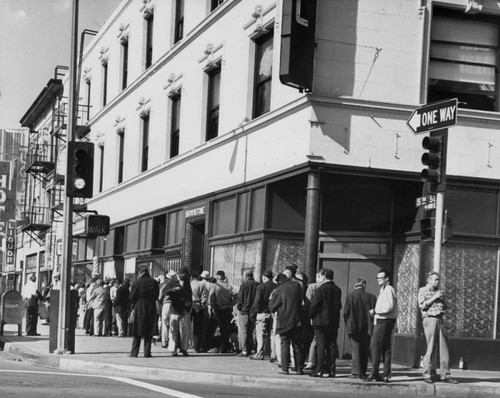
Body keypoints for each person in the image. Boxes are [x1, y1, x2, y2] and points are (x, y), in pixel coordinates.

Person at [418, 272, 457, 384]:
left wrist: (443, 299)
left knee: (443, 348)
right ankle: (427, 373)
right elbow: (422, 305)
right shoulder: (423, 290)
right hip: (430, 319)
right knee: (430, 347)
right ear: (429, 280)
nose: (437, 282)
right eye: (435, 280)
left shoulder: (438, 291)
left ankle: (445, 375)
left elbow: (445, 306)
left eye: (438, 280)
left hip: (440, 318)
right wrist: (435, 297)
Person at [269, 270, 304, 375]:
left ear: (279, 281)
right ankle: (299, 369)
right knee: (297, 345)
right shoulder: (297, 285)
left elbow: (272, 307)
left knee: (285, 344)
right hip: (297, 321)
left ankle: (285, 369)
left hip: (284, 321)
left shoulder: (278, 290)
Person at [309, 269, 342, 378]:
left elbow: (314, 305)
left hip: (320, 321)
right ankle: (331, 370)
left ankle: (319, 370)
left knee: (321, 346)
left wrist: (311, 316)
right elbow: (339, 306)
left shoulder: (321, 289)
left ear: (324, 277)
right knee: (332, 345)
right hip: (333, 322)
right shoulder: (337, 289)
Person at [366, 269, 398, 383]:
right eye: (378, 278)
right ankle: (385, 374)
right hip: (385, 321)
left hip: (383, 322)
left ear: (387, 278)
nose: (379, 280)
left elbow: (389, 306)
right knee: (385, 348)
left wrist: (375, 310)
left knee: (374, 346)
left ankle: (374, 373)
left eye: (381, 278)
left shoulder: (388, 289)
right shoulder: (384, 289)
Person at [344, 278, 377, 379]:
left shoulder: (350, 296)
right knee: (364, 349)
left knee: (356, 349)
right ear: (364, 285)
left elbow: (346, 312)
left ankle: (356, 372)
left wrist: (347, 324)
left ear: (355, 286)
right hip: (367, 327)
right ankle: (363, 371)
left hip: (353, 326)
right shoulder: (372, 297)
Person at [129, 266, 160, 358]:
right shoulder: (154, 282)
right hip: (151, 306)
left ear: (140, 273)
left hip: (140, 306)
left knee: (138, 329)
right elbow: (156, 296)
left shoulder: (137, 283)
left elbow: (131, 297)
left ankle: (134, 352)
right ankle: (147, 352)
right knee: (149, 329)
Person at [164, 267, 192, 356]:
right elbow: (165, 291)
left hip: (185, 308)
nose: (185, 276)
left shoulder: (187, 281)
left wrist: (189, 302)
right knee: (174, 329)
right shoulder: (172, 281)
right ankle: (173, 349)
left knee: (185, 329)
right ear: (180, 273)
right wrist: (174, 290)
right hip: (175, 308)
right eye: (184, 275)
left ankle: (184, 348)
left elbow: (189, 293)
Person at [250, 270, 276, 360]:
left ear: (263, 277)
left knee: (261, 334)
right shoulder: (276, 286)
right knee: (272, 334)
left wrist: (257, 311)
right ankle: (273, 355)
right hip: (273, 313)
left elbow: (257, 300)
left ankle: (260, 353)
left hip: (262, 313)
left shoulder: (261, 287)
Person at [209, 270, 237, 353]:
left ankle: (214, 346)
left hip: (217, 310)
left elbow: (212, 297)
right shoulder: (229, 286)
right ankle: (224, 346)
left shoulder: (214, 286)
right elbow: (236, 296)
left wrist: (213, 308)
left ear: (217, 277)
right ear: (224, 277)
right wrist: (231, 304)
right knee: (225, 329)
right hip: (227, 310)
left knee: (213, 328)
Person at [304, 270, 325, 370]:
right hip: (325, 317)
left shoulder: (312, 286)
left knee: (314, 339)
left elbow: (308, 302)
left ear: (318, 276)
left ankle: (311, 361)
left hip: (314, 316)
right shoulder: (327, 287)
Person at [236, 269, 259, 357]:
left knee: (243, 331)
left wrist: (240, 308)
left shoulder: (244, 285)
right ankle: (252, 349)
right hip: (254, 311)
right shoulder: (258, 285)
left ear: (245, 276)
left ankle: (245, 350)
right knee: (252, 331)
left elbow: (240, 298)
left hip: (244, 311)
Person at [190, 270, 208, 353]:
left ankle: (187, 344)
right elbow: (204, 298)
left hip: (189, 306)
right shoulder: (201, 285)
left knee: (187, 326)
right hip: (198, 307)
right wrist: (203, 307)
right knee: (198, 328)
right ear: (198, 276)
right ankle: (196, 346)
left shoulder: (188, 284)